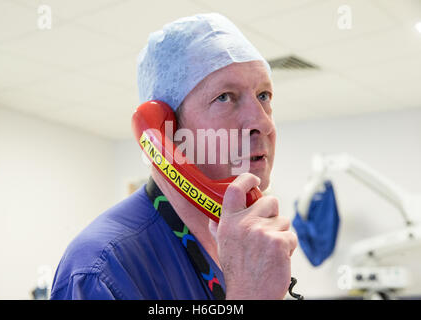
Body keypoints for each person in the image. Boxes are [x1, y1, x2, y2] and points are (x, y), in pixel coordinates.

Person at [50, 12, 298, 300]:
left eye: (264, 95)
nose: (263, 123)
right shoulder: (101, 269)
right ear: (164, 132)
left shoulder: (243, 245)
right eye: (225, 96)